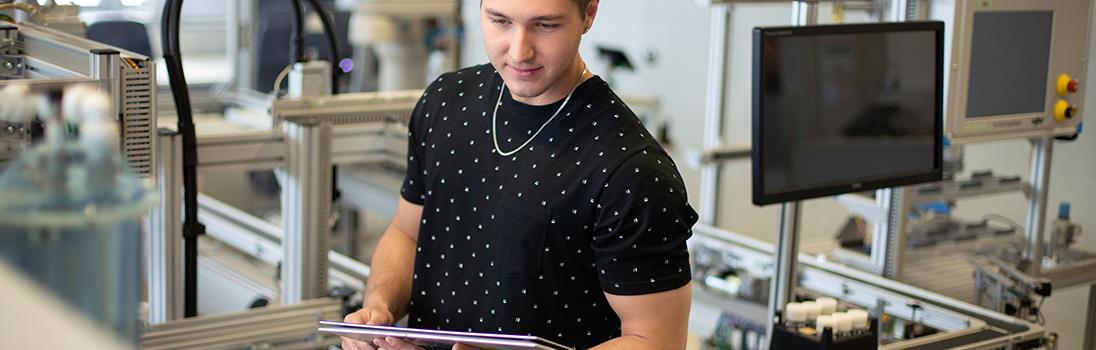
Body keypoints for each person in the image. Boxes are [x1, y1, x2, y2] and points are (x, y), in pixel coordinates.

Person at [341, 0, 697, 349]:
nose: (519, 51)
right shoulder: (446, 102)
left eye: (545, 25)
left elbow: (656, 340)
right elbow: (407, 233)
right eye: (500, 21)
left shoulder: (632, 171)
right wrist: (379, 309)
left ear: (588, 13)